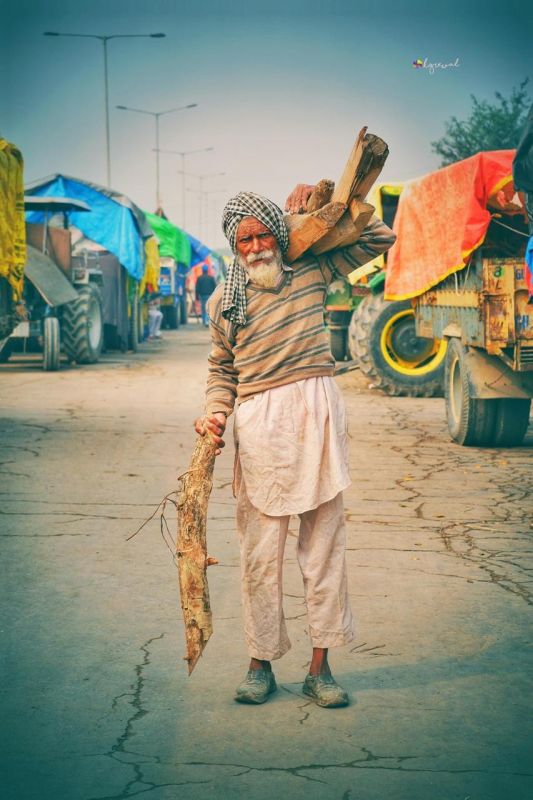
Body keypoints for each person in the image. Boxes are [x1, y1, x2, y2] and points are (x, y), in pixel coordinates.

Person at [194, 185, 396, 707]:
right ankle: (259, 664)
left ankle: (320, 669)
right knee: (261, 555)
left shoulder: (313, 268)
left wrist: (310, 212)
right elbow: (222, 370)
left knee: (324, 552)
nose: (257, 246)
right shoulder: (224, 302)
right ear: (232, 245)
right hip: (260, 429)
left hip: (319, 418)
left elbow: (380, 235)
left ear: (278, 234)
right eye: (245, 240)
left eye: (264, 234)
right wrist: (216, 413)